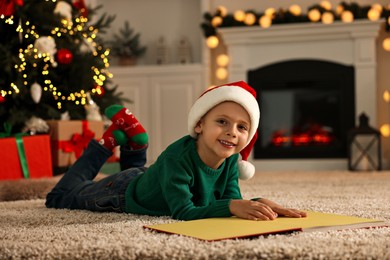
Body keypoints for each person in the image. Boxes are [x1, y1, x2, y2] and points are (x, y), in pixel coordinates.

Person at [46, 81, 307, 221]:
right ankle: (106, 143)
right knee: (59, 197)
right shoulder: (176, 157)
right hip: (120, 193)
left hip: (150, 179)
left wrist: (260, 203)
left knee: (141, 174)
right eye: (222, 122)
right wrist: (233, 206)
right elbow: (183, 211)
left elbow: (228, 200)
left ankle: (136, 143)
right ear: (200, 124)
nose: (232, 132)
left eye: (242, 127)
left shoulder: (229, 160)